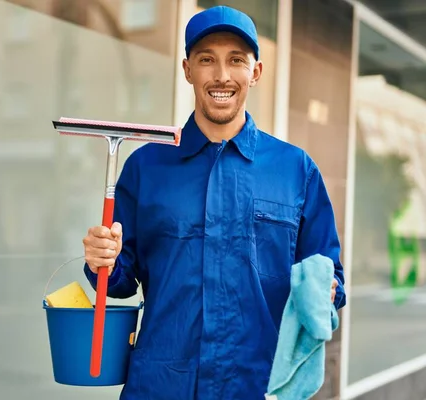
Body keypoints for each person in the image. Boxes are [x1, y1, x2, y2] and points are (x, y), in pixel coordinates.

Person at [82, 5, 346, 400]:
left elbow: (331, 276)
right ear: (188, 70)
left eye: (236, 60)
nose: (222, 75)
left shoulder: (296, 170)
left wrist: (326, 288)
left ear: (255, 72)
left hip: (258, 388)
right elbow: (120, 281)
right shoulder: (147, 167)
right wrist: (102, 261)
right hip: (161, 386)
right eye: (207, 60)